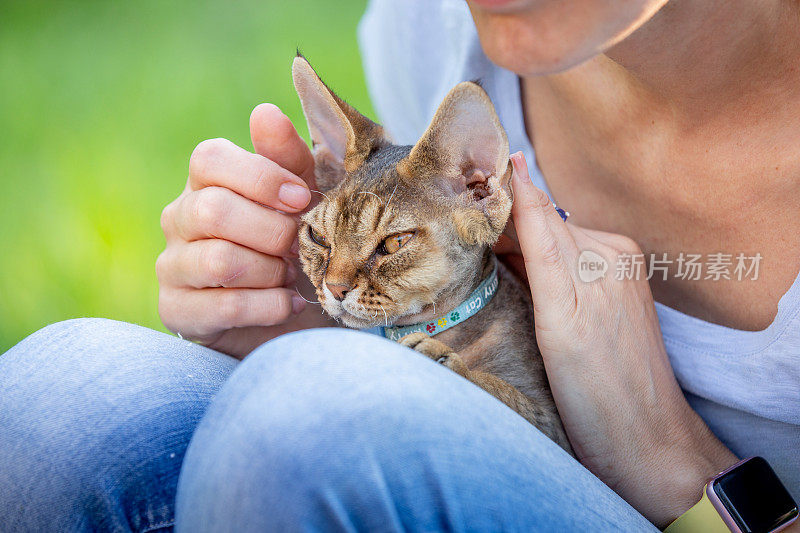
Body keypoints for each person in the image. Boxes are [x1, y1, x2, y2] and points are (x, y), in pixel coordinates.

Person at [1, 0, 798, 530]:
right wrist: (295, 315)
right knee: (59, 396)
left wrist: (674, 459)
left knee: (307, 422)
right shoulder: (438, 22)